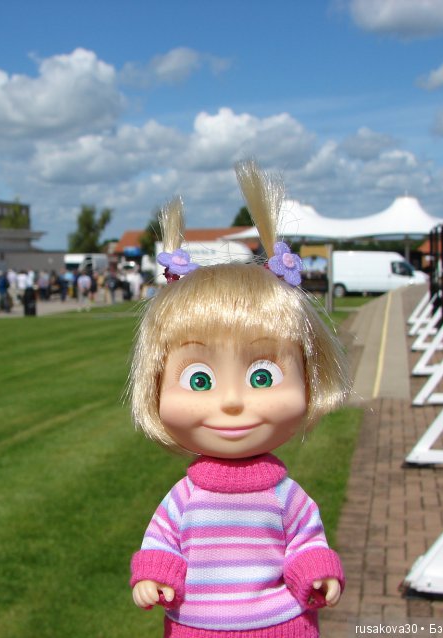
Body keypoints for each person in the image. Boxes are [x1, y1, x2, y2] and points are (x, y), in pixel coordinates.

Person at [128, 161, 350, 637]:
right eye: (201, 380)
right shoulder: (186, 498)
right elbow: (161, 541)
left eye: (263, 376)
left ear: (310, 379)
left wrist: (317, 570)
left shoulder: (284, 496)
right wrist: (154, 573)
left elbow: (306, 541)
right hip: (195, 626)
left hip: (281, 624)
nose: (231, 401)